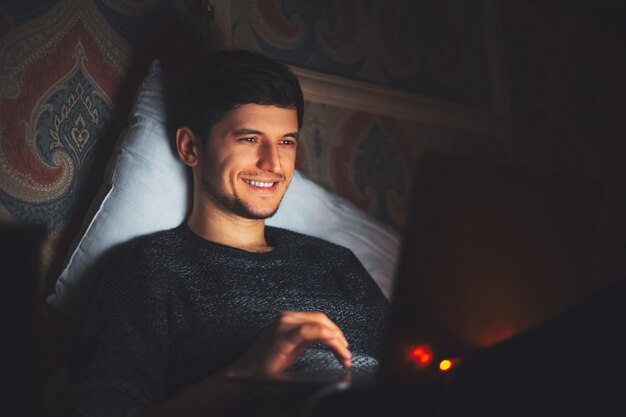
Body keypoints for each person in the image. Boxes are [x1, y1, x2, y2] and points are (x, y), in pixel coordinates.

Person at [65, 49, 391, 417]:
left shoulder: (335, 262)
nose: (273, 163)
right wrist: (245, 374)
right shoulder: (147, 270)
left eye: (286, 141)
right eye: (249, 139)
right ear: (190, 147)